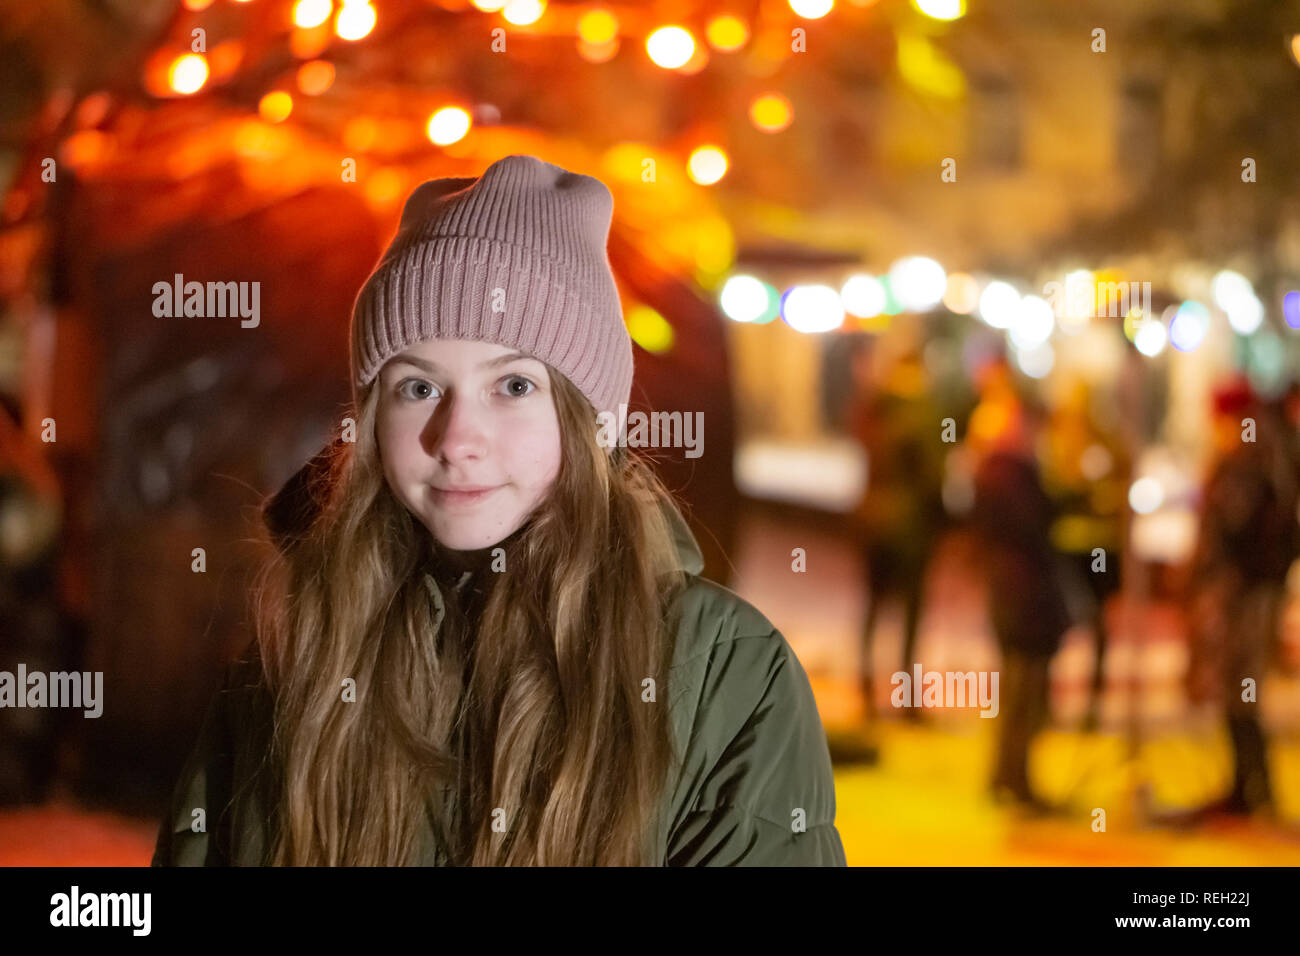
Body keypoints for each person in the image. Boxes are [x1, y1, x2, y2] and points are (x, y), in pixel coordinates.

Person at [151, 154, 845, 866]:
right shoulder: (293, 655)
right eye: (418, 388)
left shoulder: (726, 674)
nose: (456, 440)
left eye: (513, 385)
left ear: (594, 423)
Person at [1183, 378, 1299, 819]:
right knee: (1240, 689)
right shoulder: (1271, 448)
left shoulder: (1247, 453)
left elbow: (1234, 522)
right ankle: (1249, 787)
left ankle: (1253, 789)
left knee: (1239, 689)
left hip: (1241, 593)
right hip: (1253, 589)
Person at [966, 361, 1071, 814]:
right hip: (1021, 597)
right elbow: (1033, 527)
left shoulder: (1004, 471)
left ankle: (1008, 776)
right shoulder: (1007, 473)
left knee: (1020, 692)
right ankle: (1013, 779)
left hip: (1016, 596)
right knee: (1022, 693)